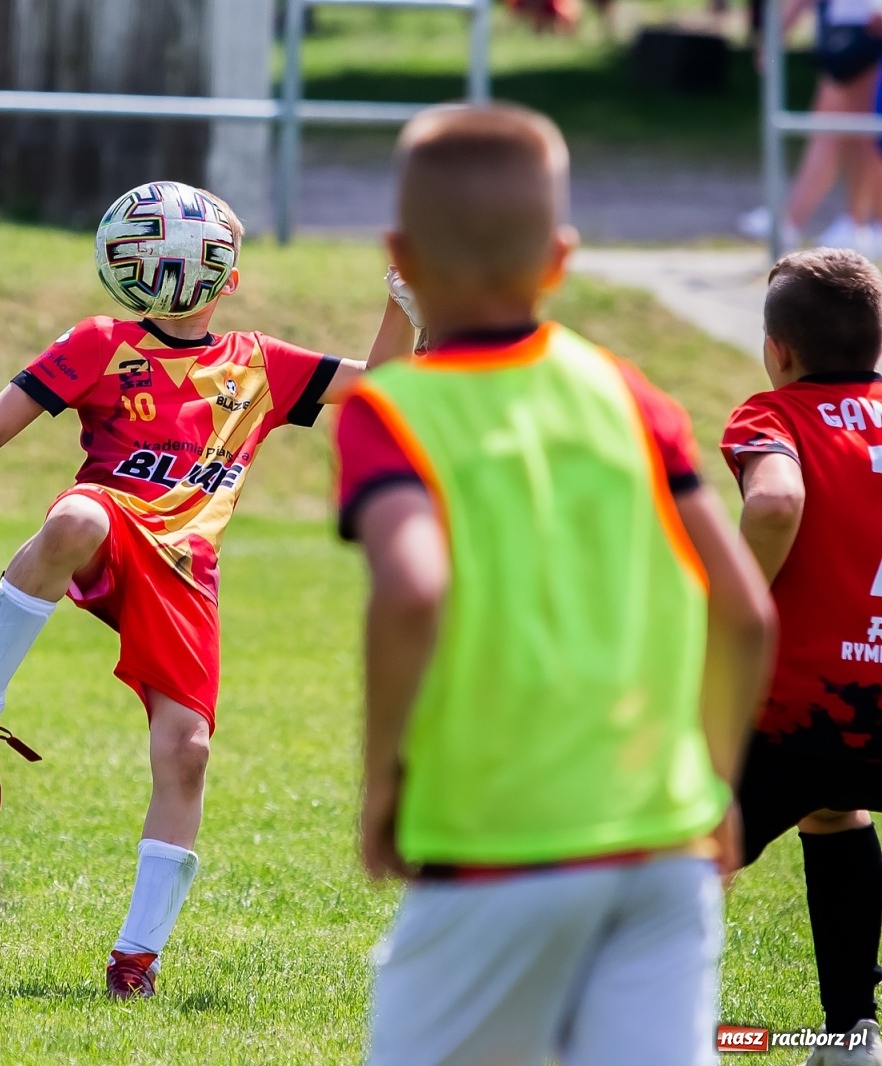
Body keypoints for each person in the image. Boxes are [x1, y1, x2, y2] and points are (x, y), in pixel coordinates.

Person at [0, 179, 415, 999]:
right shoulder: (101, 341)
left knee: (187, 755)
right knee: (79, 516)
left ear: (232, 280)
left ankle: (135, 960)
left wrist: (403, 303)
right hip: (112, 524)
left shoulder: (259, 365)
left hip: (185, 567)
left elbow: (385, 386)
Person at [337, 103, 777, 1066]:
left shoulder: (392, 409)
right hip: (665, 846)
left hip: (500, 845)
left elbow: (412, 591)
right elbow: (744, 609)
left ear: (399, 254)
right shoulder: (629, 392)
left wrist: (381, 781)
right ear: (562, 257)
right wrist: (712, 778)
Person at [722, 248, 882, 1065]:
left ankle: (644, 1025)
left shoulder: (774, 415)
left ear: (777, 349)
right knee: (835, 808)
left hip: (805, 708)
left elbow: (778, 500)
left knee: (679, 848)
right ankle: (853, 1032)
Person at [740, 0, 882, 253]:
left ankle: (793, 221)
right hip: (849, 28)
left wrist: (780, 31)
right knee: (853, 134)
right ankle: (853, 224)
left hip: (863, 28)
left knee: (846, 133)